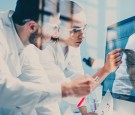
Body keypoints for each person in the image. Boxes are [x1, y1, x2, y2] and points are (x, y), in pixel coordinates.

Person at [0, 0, 100, 115]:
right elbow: (4, 90)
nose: (56, 35)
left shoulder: (27, 47)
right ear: (32, 27)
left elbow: (42, 87)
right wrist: (66, 89)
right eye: (53, 28)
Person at [33, 1, 122, 115]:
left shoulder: (72, 44)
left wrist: (85, 114)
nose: (82, 35)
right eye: (75, 30)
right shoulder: (42, 49)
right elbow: (72, 91)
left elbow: (78, 80)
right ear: (56, 29)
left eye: (83, 28)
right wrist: (105, 70)